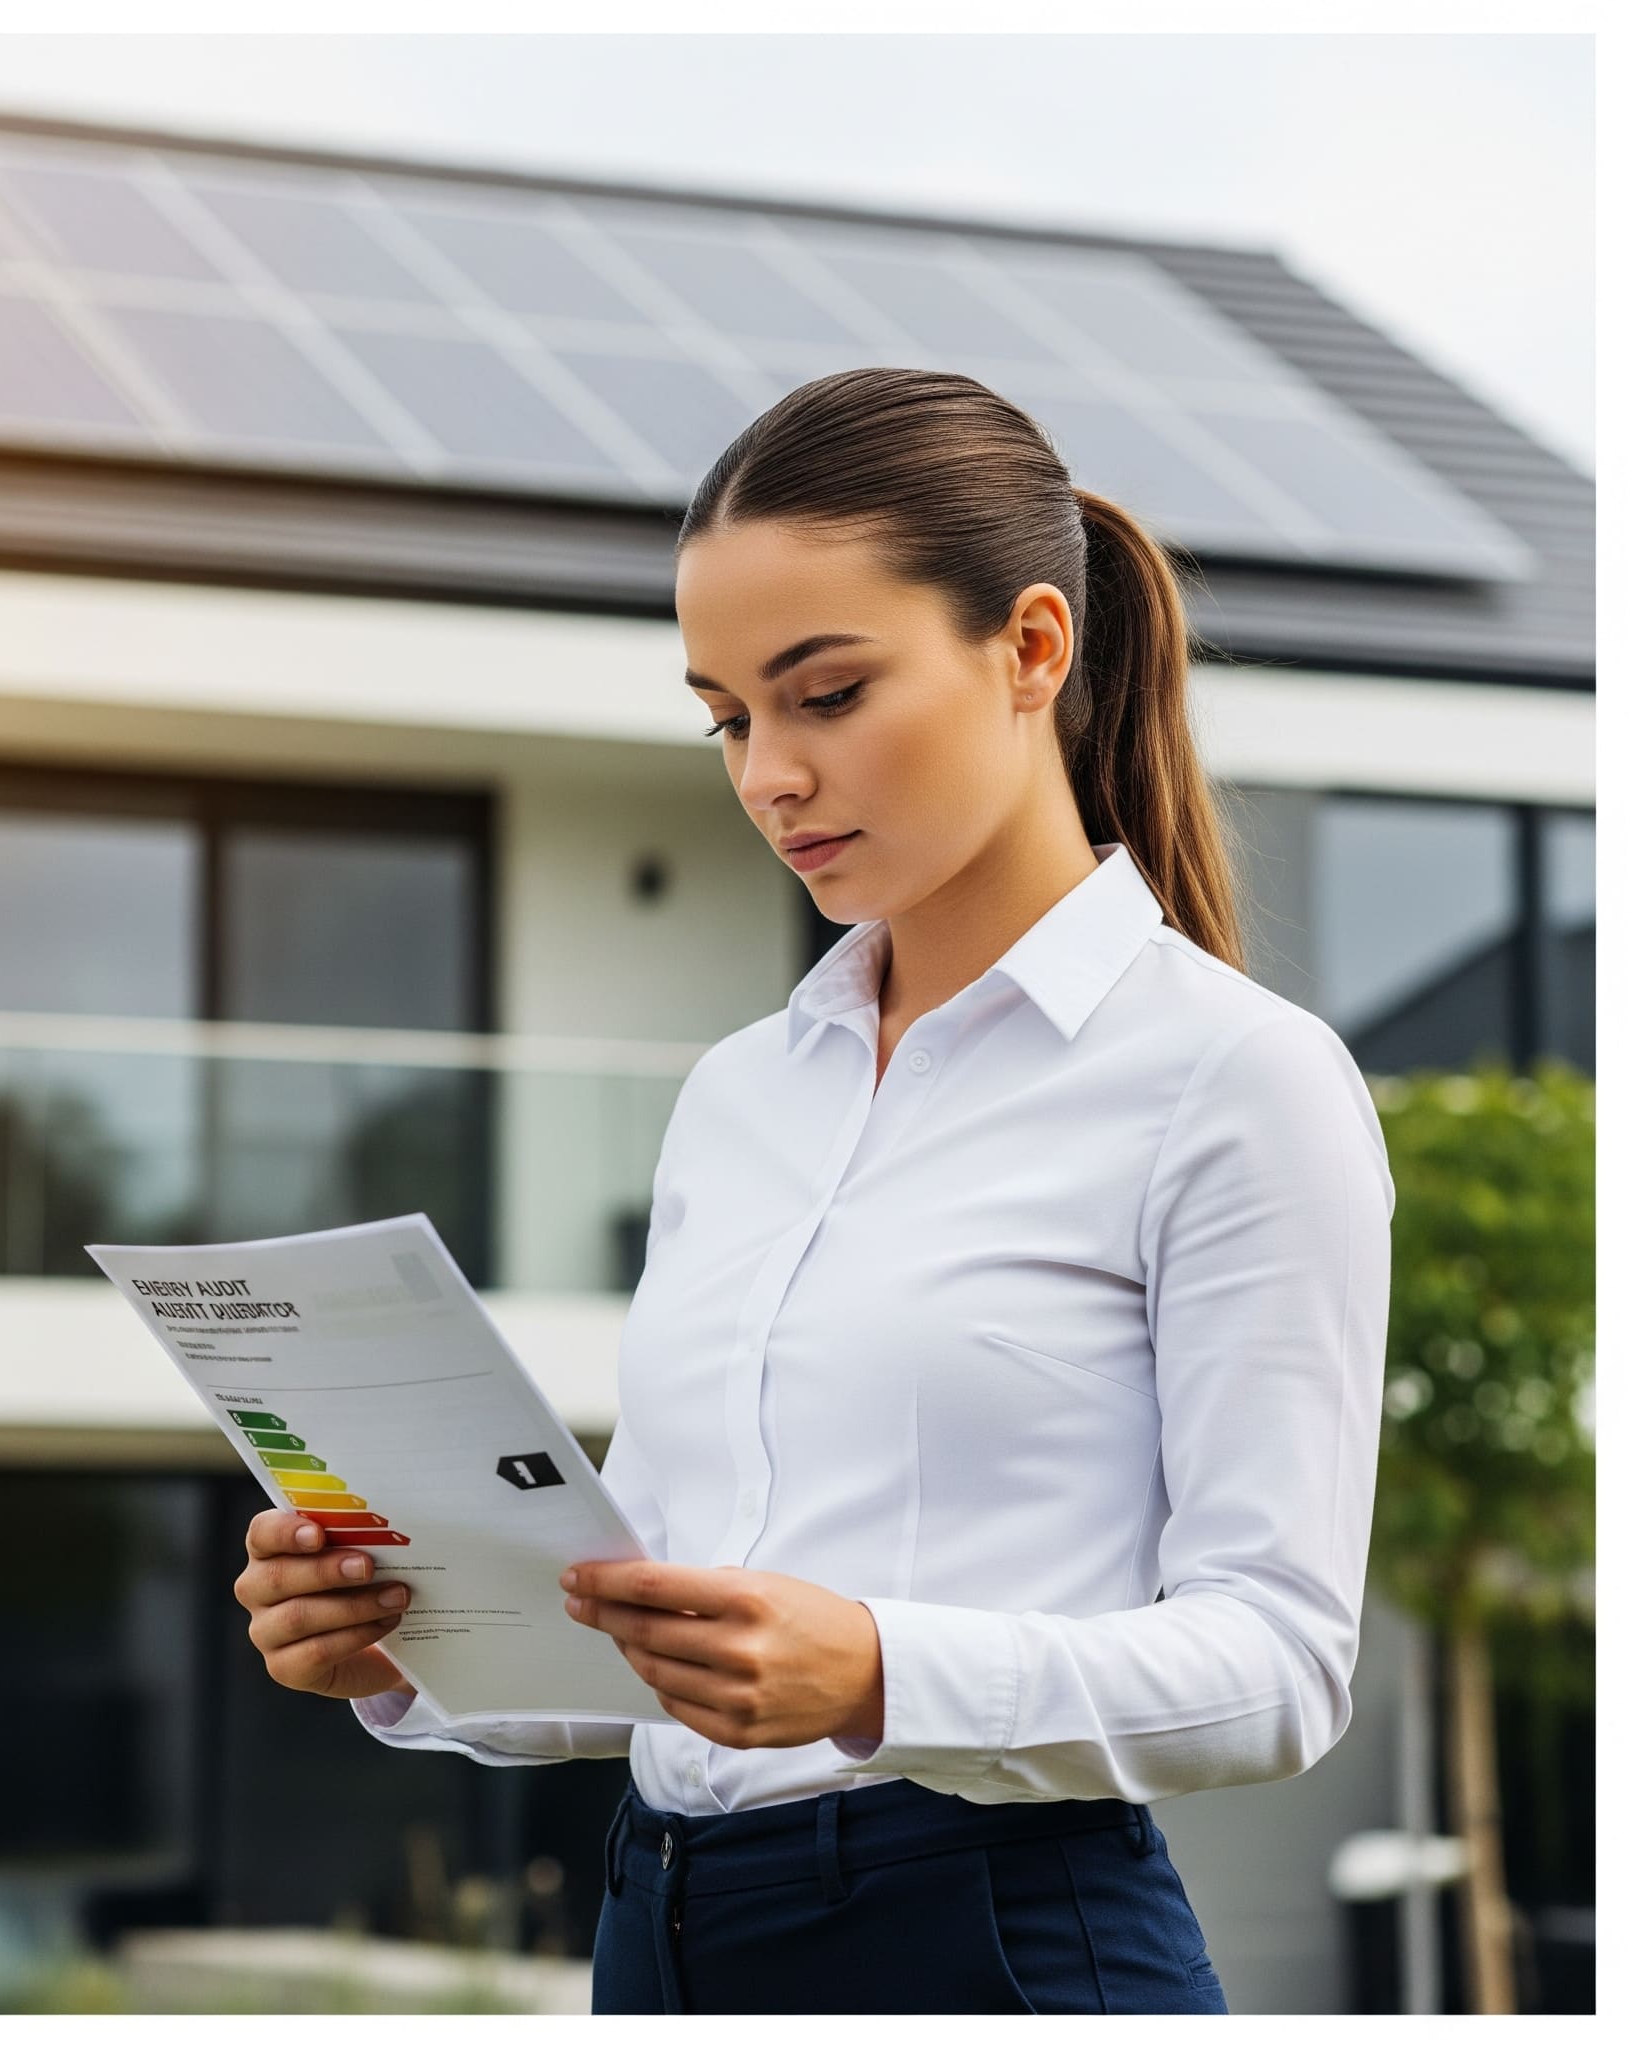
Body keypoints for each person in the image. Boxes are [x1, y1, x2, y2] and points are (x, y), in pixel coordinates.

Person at [231, 366, 1396, 2015]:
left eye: (826, 693)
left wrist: (876, 1670)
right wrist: (406, 1645)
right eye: (725, 716)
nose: (767, 771)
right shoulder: (737, 1099)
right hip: (659, 1935)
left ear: (1034, 650)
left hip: (989, 1946)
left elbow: (1278, 1667)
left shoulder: (1237, 1082)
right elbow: (665, 1614)